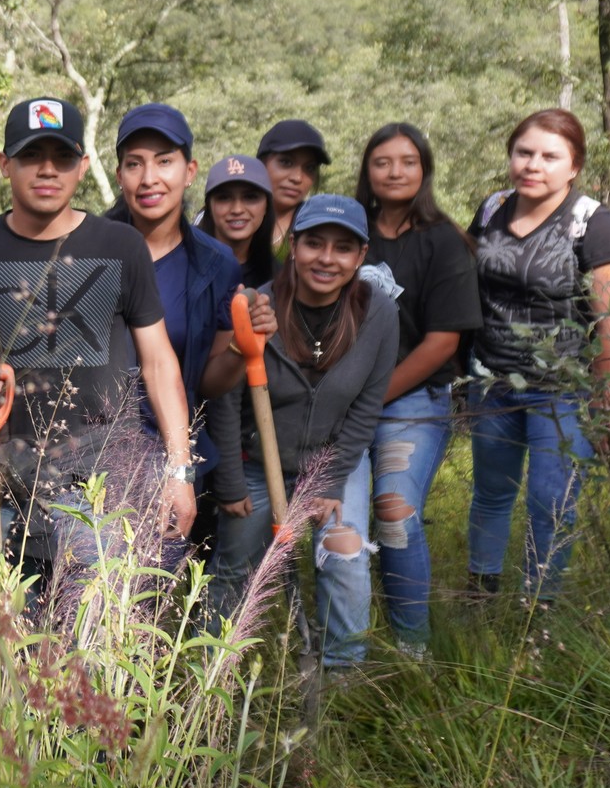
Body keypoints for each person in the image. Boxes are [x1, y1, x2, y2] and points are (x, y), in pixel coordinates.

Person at [0, 98, 200, 634]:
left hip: (102, 479)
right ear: (5, 165)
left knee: (94, 638)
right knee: (15, 640)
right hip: (4, 477)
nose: (47, 169)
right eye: (31, 156)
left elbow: (160, 360)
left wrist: (179, 470)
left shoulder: (121, 246)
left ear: (81, 165)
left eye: (62, 157)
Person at [211, 195, 396, 668]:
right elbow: (226, 399)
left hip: (333, 461)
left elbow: (366, 405)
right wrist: (230, 479)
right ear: (293, 246)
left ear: (361, 256)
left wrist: (331, 480)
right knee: (235, 569)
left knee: (345, 556)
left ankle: (343, 669)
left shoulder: (378, 313)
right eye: (314, 244)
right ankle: (214, 667)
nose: (326, 259)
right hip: (256, 464)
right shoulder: (256, 306)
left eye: (342, 248)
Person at [465, 109, 610, 601]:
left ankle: (540, 606)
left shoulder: (593, 223)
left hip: (563, 392)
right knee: (491, 492)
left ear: (573, 166)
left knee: (551, 501)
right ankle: (482, 590)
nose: (533, 164)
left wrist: (604, 404)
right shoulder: (493, 206)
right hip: (492, 380)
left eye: (549, 156)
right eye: (524, 152)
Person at [103, 105, 266, 569]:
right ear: (119, 175)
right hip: (92, 454)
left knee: (153, 599)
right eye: (135, 163)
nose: (149, 177)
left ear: (189, 171)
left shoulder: (216, 265)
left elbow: (210, 383)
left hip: (170, 459)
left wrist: (242, 343)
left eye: (164, 161)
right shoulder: (90, 248)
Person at [355, 123, 482, 655]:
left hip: (409, 398)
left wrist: (367, 401)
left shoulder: (444, 242)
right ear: (367, 170)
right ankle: (343, 647)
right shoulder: (347, 230)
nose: (395, 172)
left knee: (394, 507)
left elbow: (441, 345)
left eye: (408, 161)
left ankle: (412, 646)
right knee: (336, 518)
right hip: (337, 397)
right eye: (383, 162)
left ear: (424, 169)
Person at [198, 154, 278, 289]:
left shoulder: (279, 277)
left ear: (266, 206)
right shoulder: (181, 264)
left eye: (250, 197)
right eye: (224, 197)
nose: (237, 209)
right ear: (209, 207)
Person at [257, 119, 330, 255]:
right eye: (286, 162)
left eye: (310, 168)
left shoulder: (320, 226)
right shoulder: (222, 216)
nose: (297, 178)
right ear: (261, 164)